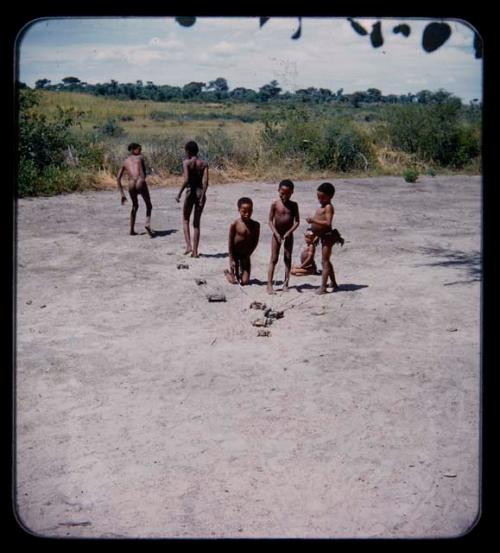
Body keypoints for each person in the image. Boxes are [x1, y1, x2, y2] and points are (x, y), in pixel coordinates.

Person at [175, 141, 208, 257]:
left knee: (185, 219)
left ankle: (188, 245)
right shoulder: (204, 164)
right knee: (196, 223)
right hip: (200, 193)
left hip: (190, 192)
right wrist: (203, 196)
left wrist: (179, 193)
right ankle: (195, 251)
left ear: (188, 151)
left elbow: (186, 180)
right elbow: (205, 182)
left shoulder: (186, 163)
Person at [267, 179, 300, 294]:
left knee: (287, 258)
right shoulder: (275, 204)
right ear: (278, 190)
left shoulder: (294, 205)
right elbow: (270, 221)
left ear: (292, 193)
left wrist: (290, 232)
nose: (284, 196)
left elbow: (297, 222)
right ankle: (269, 285)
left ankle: (286, 284)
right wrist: (276, 233)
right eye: (282, 193)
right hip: (276, 235)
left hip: (288, 235)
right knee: (274, 259)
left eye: (287, 193)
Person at [306, 182, 340, 294]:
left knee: (324, 261)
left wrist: (313, 221)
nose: (320, 199)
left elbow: (328, 223)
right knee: (326, 261)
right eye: (318, 197)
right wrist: (316, 235)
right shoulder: (322, 206)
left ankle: (323, 287)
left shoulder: (328, 207)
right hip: (322, 236)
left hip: (328, 237)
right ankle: (333, 282)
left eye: (322, 197)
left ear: (330, 196)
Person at [117, 143, 155, 237]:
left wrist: (122, 194)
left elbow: (118, 178)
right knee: (149, 205)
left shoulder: (125, 161)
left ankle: (131, 230)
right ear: (134, 150)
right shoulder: (140, 158)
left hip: (131, 184)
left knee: (135, 206)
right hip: (140, 181)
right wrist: (142, 180)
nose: (141, 151)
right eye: (139, 149)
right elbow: (143, 173)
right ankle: (147, 223)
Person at [224, 197, 260, 286]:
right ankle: (227, 273)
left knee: (245, 281)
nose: (247, 214)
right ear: (239, 210)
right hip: (235, 254)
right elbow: (230, 242)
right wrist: (231, 258)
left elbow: (255, 241)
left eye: (250, 211)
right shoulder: (235, 224)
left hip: (246, 255)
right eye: (244, 211)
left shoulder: (256, 225)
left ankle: (241, 271)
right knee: (234, 281)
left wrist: (248, 254)